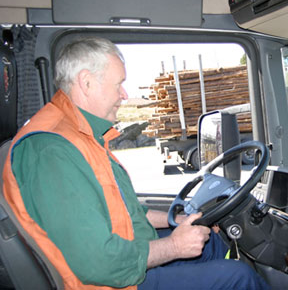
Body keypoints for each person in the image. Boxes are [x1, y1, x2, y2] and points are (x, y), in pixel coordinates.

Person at [2, 37, 270, 290]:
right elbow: (98, 263)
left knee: (208, 241)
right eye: (118, 84)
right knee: (239, 277)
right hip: (111, 282)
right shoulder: (53, 151)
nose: (125, 94)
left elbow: (125, 212)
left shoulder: (81, 135)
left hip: (126, 255)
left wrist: (180, 220)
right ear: (86, 82)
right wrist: (175, 247)